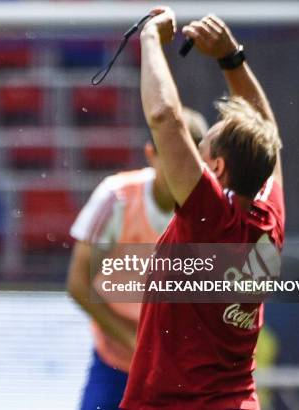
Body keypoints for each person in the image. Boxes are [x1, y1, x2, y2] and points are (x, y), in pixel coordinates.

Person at [119, 7, 284, 410]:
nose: (193, 156)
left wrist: (149, 41)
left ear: (218, 168)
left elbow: (164, 116)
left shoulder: (209, 219)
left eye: (202, 148)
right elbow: (269, 139)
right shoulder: (269, 218)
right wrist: (232, 59)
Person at [67, 108, 207, 410]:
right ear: (150, 153)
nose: (178, 169)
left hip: (179, 367)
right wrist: (134, 341)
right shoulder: (116, 197)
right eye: (170, 156)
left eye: (187, 160)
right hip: (115, 362)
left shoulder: (210, 212)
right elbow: (78, 284)